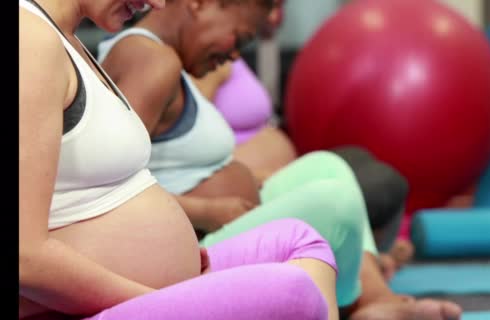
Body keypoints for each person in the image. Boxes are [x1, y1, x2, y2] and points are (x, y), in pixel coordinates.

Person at [96, 0, 463, 319]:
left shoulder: (165, 59)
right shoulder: (150, 61)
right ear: (201, 3)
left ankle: (373, 299)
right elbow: (111, 186)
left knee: (327, 167)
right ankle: (363, 304)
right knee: (333, 199)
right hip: (195, 244)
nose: (235, 55)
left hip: (216, 218)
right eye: (238, 37)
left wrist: (246, 179)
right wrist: (206, 210)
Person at [19, 0, 341, 319]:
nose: (157, 3)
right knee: (294, 293)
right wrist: (164, 300)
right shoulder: (30, 38)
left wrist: (177, 260)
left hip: (143, 283)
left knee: (301, 241)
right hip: (115, 299)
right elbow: (24, 256)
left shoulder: (64, 37)